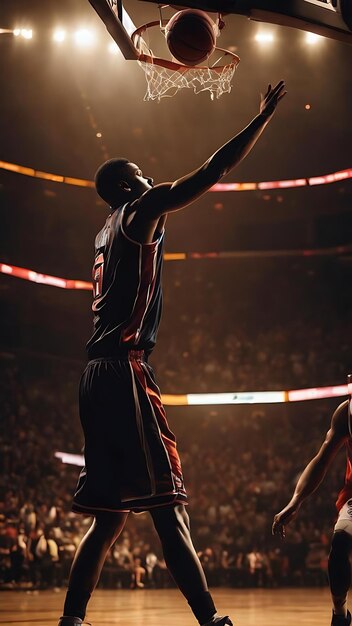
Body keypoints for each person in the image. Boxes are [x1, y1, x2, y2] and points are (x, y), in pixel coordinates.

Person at [59, 80, 286, 626]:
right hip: (124, 370)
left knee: (108, 521)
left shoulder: (103, 232)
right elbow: (211, 172)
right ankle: (211, 621)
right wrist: (261, 118)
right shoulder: (140, 208)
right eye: (138, 170)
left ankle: (70, 621)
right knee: (169, 507)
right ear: (125, 184)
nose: (147, 173)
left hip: (94, 375)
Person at [272, 398, 352, 626]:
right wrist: (296, 500)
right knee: (339, 546)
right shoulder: (346, 412)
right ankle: (340, 613)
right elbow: (322, 459)